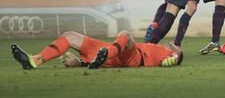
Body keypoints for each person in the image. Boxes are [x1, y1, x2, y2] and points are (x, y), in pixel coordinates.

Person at [11, 30, 183, 70]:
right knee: (69, 36)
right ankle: (35, 60)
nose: (175, 43)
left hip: (134, 58)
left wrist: (173, 58)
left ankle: (104, 54)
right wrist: (78, 63)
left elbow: (173, 60)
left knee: (126, 35)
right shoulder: (158, 45)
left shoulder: (170, 53)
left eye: (177, 46)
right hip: (111, 54)